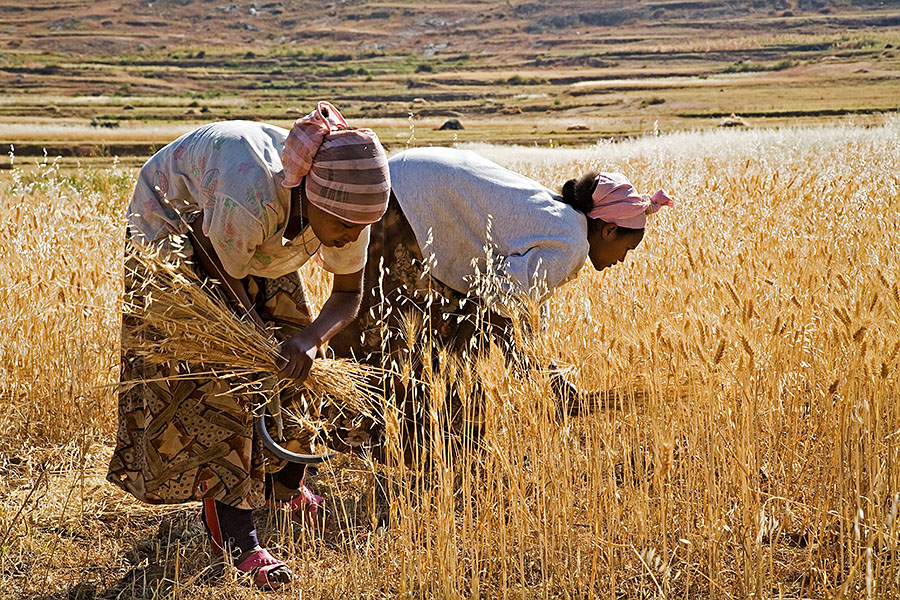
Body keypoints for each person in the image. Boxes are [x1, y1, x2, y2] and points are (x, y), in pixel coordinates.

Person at [107, 102, 390, 590]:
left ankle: (284, 487)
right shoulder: (252, 200)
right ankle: (239, 540)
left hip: (239, 241)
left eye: (360, 229)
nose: (352, 238)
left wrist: (307, 339)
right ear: (312, 200)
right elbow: (215, 262)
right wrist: (258, 342)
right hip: (172, 229)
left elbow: (348, 294)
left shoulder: (346, 211)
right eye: (344, 228)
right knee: (228, 385)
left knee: (296, 360)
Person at [327, 146, 673, 458]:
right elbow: (493, 305)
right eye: (627, 249)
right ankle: (343, 430)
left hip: (408, 185)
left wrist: (542, 371)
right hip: (410, 205)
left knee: (415, 334)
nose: (623, 260)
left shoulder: (563, 224)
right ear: (609, 230)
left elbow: (517, 305)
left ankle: (397, 441)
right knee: (397, 338)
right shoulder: (571, 243)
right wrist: (544, 378)